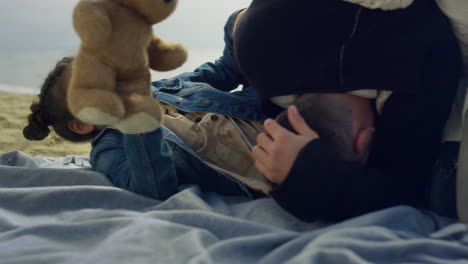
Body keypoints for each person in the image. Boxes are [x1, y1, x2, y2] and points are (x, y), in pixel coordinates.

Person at [23, 10, 375, 208]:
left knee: (268, 23)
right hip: (284, 157)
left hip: (283, 104)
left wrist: (236, 26)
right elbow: (153, 188)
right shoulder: (110, 148)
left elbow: (225, 71)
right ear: (83, 125)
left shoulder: (166, 88)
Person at [234, 0, 463, 221]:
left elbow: (401, 188)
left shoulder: (423, 66)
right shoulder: (254, 51)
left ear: (363, 141)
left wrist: (316, 185)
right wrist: (301, 175)